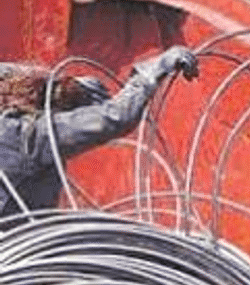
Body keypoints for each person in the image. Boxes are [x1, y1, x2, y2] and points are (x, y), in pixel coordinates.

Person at [0, 46, 199, 225]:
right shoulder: (32, 136)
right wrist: (149, 74)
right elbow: (116, 117)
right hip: (16, 248)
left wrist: (63, 82)